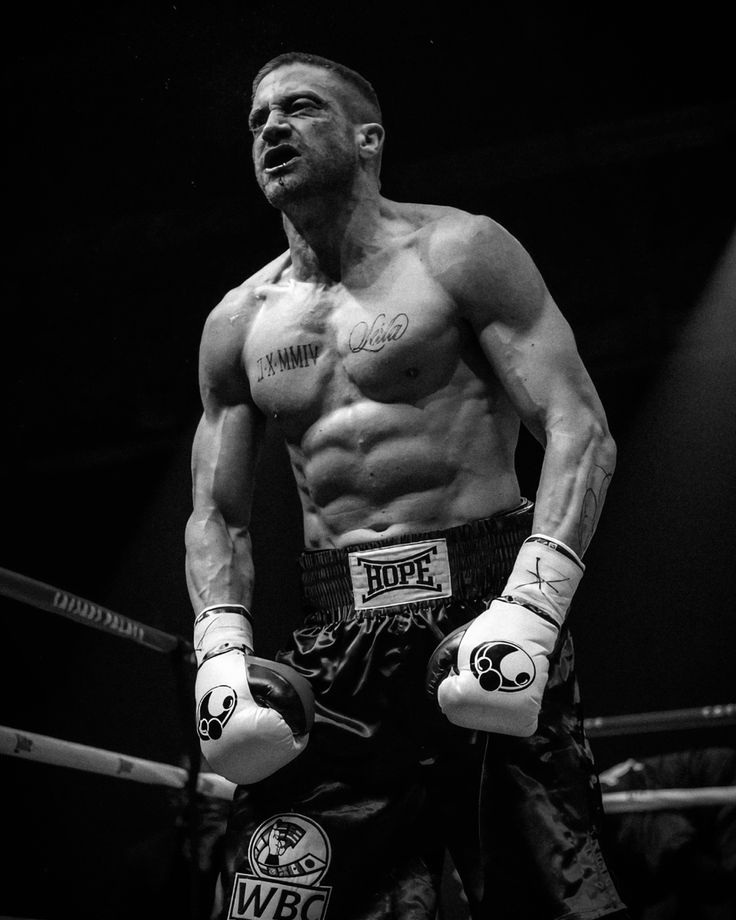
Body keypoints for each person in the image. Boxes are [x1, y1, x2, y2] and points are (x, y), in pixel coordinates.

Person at [185, 51, 628, 920]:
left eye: (297, 108)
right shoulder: (238, 321)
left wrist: (531, 609)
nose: (269, 127)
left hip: (484, 603)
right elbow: (217, 513)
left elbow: (582, 430)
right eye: (256, 119)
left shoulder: (461, 250)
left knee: (554, 898)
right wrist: (220, 650)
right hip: (335, 644)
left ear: (367, 138)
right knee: (280, 896)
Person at [599, 747, 736, 920]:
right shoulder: (600, 808)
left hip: (724, 781)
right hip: (707, 789)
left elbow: (685, 858)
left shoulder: (623, 822)